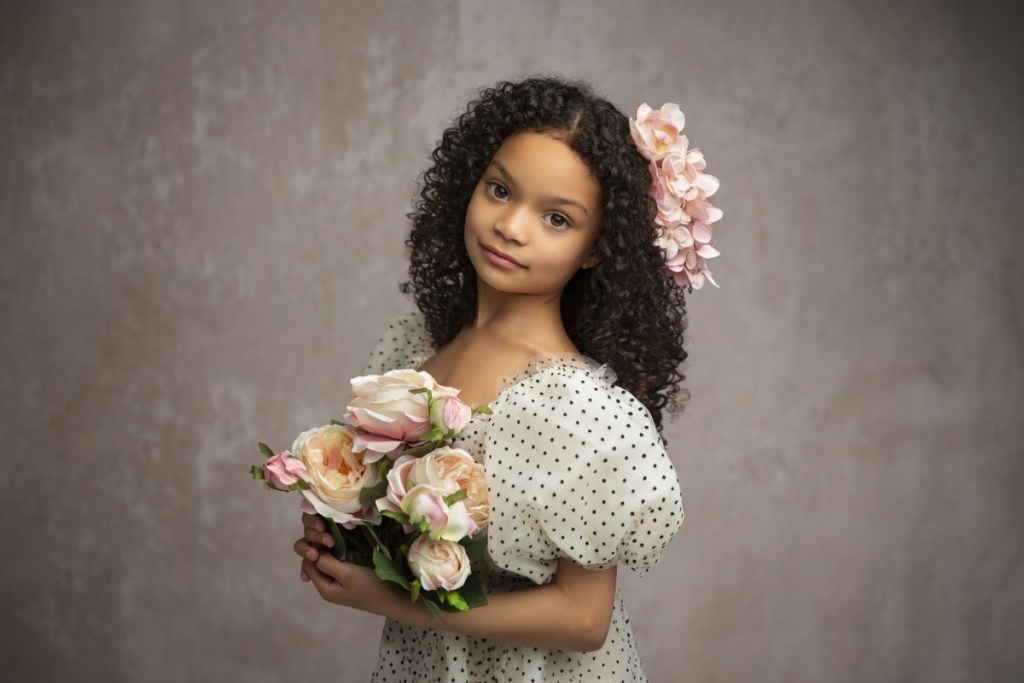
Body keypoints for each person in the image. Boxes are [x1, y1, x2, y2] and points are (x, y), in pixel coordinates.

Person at [293, 75, 719, 682]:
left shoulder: (580, 407)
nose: (511, 227)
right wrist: (347, 536)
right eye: (499, 190)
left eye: (556, 219)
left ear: (595, 250)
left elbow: (583, 617)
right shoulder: (414, 348)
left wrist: (390, 601)